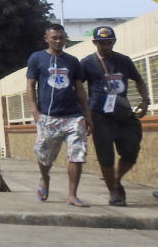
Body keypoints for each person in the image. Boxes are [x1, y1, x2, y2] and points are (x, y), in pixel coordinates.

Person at [80, 26, 151, 206]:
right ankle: (114, 192)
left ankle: (116, 180)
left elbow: (139, 80)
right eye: (102, 42)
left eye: (109, 42)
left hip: (123, 115)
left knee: (131, 151)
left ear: (114, 42)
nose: (106, 46)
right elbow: (77, 87)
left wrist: (145, 101)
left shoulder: (124, 61)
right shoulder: (87, 63)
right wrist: (84, 114)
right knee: (106, 157)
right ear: (95, 42)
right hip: (100, 116)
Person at [27, 23, 93, 207]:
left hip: (73, 117)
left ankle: (72, 194)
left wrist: (87, 114)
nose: (58, 41)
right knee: (44, 156)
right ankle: (45, 178)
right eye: (54, 37)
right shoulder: (37, 58)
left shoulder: (72, 61)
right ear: (46, 38)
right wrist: (35, 110)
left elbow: (80, 89)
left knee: (77, 155)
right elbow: (31, 85)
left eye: (61, 37)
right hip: (48, 117)